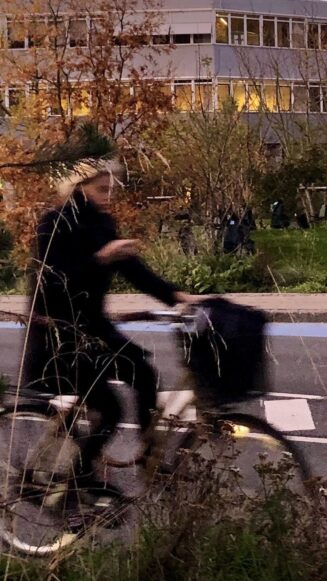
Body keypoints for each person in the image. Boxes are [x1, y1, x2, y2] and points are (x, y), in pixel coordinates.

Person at [22, 159, 197, 498]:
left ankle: (149, 457)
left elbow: (134, 270)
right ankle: (81, 477)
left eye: (110, 189)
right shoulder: (53, 224)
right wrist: (100, 259)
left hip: (94, 331)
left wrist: (177, 297)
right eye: (101, 189)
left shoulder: (102, 224)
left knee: (144, 373)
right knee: (111, 407)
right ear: (79, 188)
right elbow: (52, 284)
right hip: (59, 336)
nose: (108, 195)